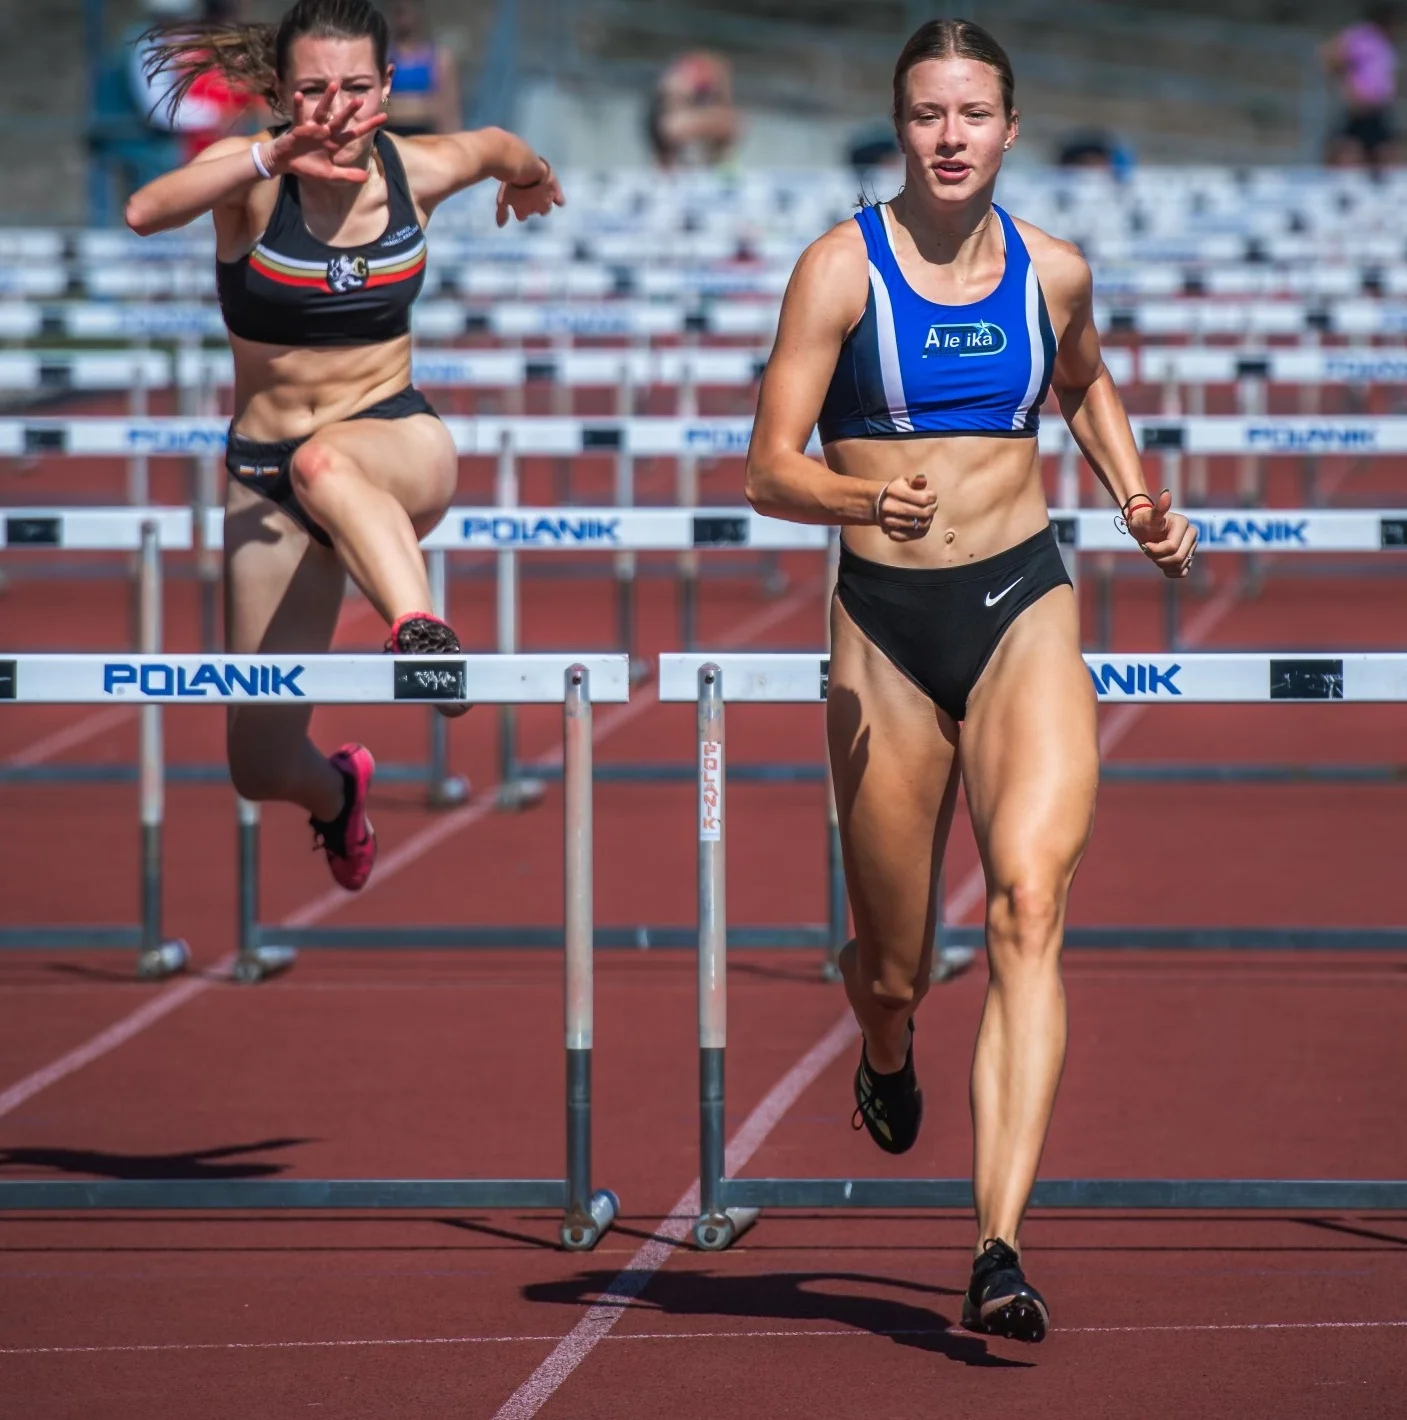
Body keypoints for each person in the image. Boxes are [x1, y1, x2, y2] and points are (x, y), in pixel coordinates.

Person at [745, 19, 1195, 1343]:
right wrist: (852, 492)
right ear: (901, 127)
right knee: (898, 962)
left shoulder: (1051, 269)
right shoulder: (838, 269)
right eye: (927, 114)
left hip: (1018, 604)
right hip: (881, 627)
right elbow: (766, 467)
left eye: (972, 114)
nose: (949, 137)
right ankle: (882, 1043)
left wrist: (1138, 499)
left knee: (1025, 906)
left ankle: (995, 1245)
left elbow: (1085, 383)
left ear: (1006, 128)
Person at [126, 0, 562, 892]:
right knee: (257, 762)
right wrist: (266, 154)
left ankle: (421, 636)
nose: (336, 110)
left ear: (387, 89)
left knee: (329, 459)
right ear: (285, 96)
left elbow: (497, 147)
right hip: (264, 477)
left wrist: (533, 180)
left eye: (357, 88)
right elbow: (143, 211)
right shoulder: (253, 180)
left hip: (396, 438)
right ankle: (337, 793)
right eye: (315, 91)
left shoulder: (418, 169)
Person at [1322, 4, 1401, 168]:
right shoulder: (1362, 36)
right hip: (1360, 107)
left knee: (1385, 153)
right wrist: (1347, 80)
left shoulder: (1386, 43)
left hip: (1379, 108)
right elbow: (1330, 55)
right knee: (1349, 152)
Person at [647, 51, 740, 170]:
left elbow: (730, 120)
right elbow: (672, 125)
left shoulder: (713, 84)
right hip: (668, 126)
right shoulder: (677, 81)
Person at [384, 0, 460, 136]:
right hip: (393, 136)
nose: (404, 16)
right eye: (399, 10)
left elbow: (448, 109)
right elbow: (380, 103)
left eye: (408, 9)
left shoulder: (438, 59)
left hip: (427, 137)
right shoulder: (383, 59)